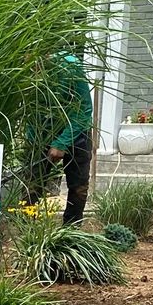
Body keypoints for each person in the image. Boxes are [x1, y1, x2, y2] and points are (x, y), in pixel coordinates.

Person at [44, 52, 94, 226]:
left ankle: (70, 231)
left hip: (77, 130)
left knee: (78, 186)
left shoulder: (69, 66)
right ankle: (27, 228)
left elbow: (84, 108)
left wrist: (61, 142)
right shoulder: (26, 70)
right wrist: (33, 141)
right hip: (44, 130)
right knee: (32, 183)